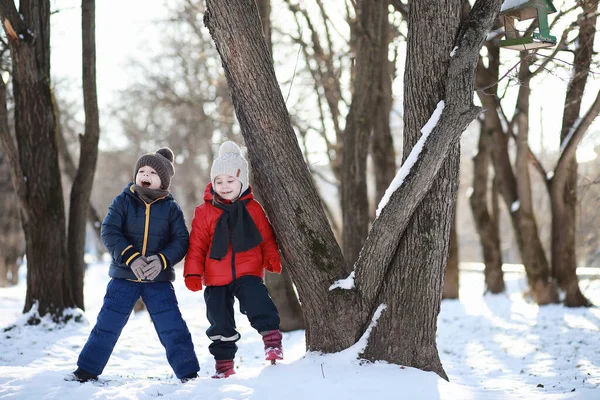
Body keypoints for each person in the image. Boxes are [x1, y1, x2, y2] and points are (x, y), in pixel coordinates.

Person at [68, 148, 200, 384]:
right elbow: (109, 231)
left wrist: (160, 260)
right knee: (107, 324)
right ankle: (86, 370)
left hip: (157, 281)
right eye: (141, 170)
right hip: (124, 277)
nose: (145, 174)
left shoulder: (171, 209)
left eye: (152, 172)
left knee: (172, 327)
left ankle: (188, 372)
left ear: (163, 181)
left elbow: (181, 241)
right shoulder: (123, 201)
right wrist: (131, 257)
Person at [184, 141, 283, 379]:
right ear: (213, 183)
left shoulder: (253, 209)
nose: (224, 186)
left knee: (257, 301)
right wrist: (193, 273)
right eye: (219, 181)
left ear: (242, 182)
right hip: (215, 277)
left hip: (248, 271)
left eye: (230, 181)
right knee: (219, 321)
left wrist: (271, 257)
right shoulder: (204, 211)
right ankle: (224, 363)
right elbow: (196, 245)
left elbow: (266, 237)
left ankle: (271, 340)